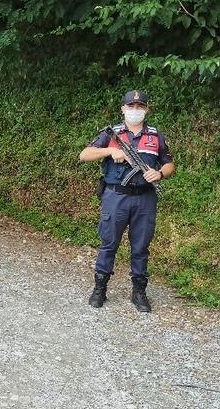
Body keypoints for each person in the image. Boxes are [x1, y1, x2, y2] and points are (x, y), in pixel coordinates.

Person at [79, 90, 175, 312]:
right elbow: (84, 154)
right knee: (109, 243)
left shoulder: (155, 136)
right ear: (123, 109)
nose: (135, 110)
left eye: (140, 106)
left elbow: (170, 164)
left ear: (146, 109)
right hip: (116, 196)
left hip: (145, 198)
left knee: (141, 246)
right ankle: (100, 288)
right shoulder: (113, 134)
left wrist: (160, 173)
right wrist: (109, 151)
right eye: (131, 106)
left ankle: (139, 292)